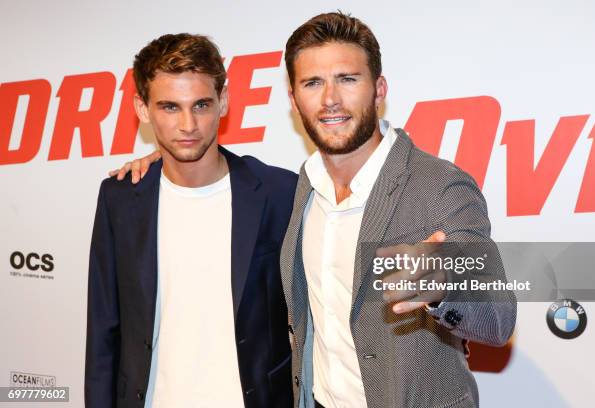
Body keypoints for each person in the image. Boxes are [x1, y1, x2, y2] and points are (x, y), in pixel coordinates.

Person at [116, 13, 517, 408]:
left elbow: (499, 319)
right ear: (293, 99)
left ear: (379, 89)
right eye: (312, 83)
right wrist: (165, 157)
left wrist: (444, 285)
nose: (330, 100)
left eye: (347, 79)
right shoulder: (302, 188)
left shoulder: (436, 184)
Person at [86, 33, 295, 408]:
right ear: (143, 109)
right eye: (169, 107)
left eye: (201, 104)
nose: (188, 124)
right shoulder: (120, 198)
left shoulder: (280, 193)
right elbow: (103, 329)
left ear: (224, 101)